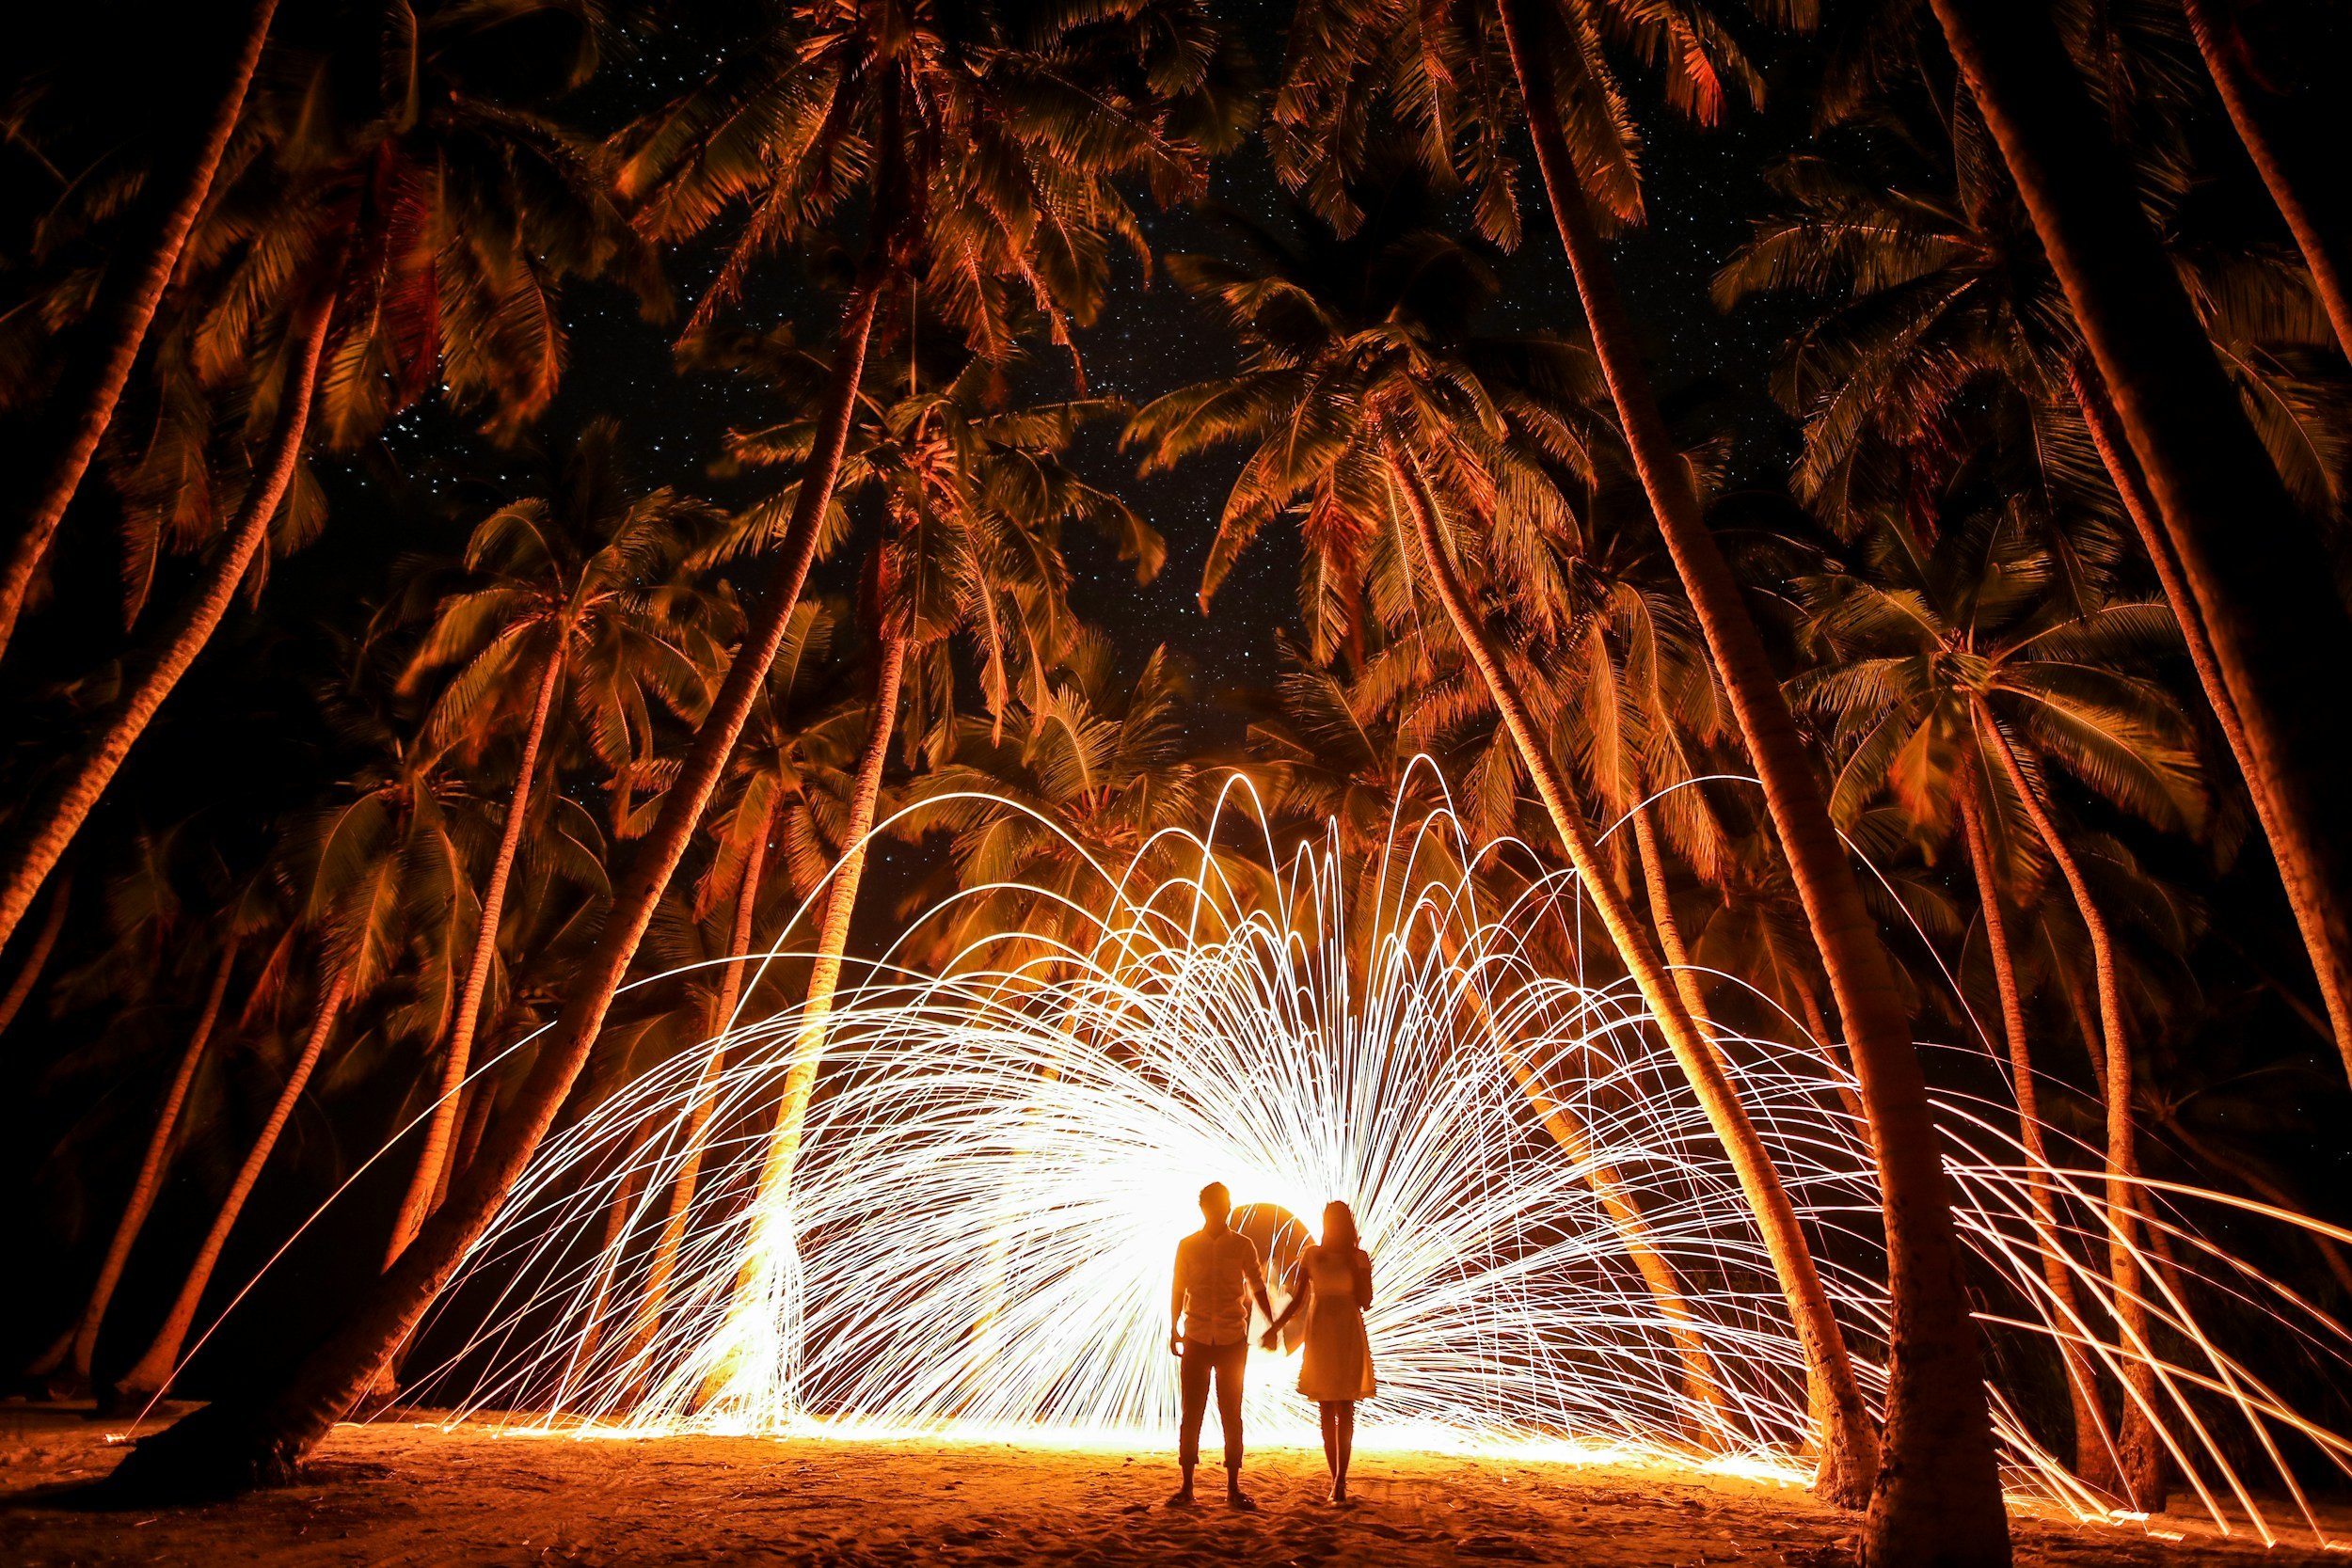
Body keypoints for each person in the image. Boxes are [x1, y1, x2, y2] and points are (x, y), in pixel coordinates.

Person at [1168, 1180, 1274, 1509]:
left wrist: (1271, 1324)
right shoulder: (1187, 1246)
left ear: (1227, 1207)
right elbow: (1178, 1288)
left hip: (1230, 1339)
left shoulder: (1242, 1245)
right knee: (1192, 1413)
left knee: (1231, 1413)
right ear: (1204, 1208)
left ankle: (1232, 1487)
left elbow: (1257, 1287)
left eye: (1223, 1205)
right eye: (1215, 1205)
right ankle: (1188, 1487)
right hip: (1198, 1335)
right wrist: (1174, 1327)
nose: (1220, 1211)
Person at [1263, 1200, 1375, 1503]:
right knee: (1326, 1407)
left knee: (1345, 1407)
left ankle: (1341, 1480)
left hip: (1347, 1332)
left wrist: (1358, 1269)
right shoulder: (1312, 1255)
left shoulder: (1359, 1257)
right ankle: (1334, 1477)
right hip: (1322, 1332)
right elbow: (1299, 1299)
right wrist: (1276, 1326)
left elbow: (1366, 1301)